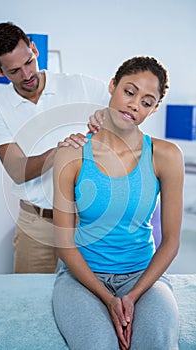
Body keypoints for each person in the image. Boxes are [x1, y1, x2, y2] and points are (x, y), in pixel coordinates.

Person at [52, 56, 184, 350]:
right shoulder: (72, 154)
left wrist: (133, 295)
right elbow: (63, 243)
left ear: (154, 109)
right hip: (81, 278)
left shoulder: (166, 156)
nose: (135, 104)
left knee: (157, 344)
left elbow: (172, 241)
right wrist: (109, 299)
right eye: (129, 91)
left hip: (142, 276)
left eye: (147, 101)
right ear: (112, 85)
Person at [0, 21, 110, 274]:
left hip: (85, 221)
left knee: (87, 298)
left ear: (34, 49)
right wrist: (59, 152)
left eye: (29, 62)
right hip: (35, 223)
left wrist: (108, 121)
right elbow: (17, 171)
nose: (27, 75)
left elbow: (127, 110)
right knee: (28, 301)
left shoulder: (80, 85)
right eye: (14, 71)